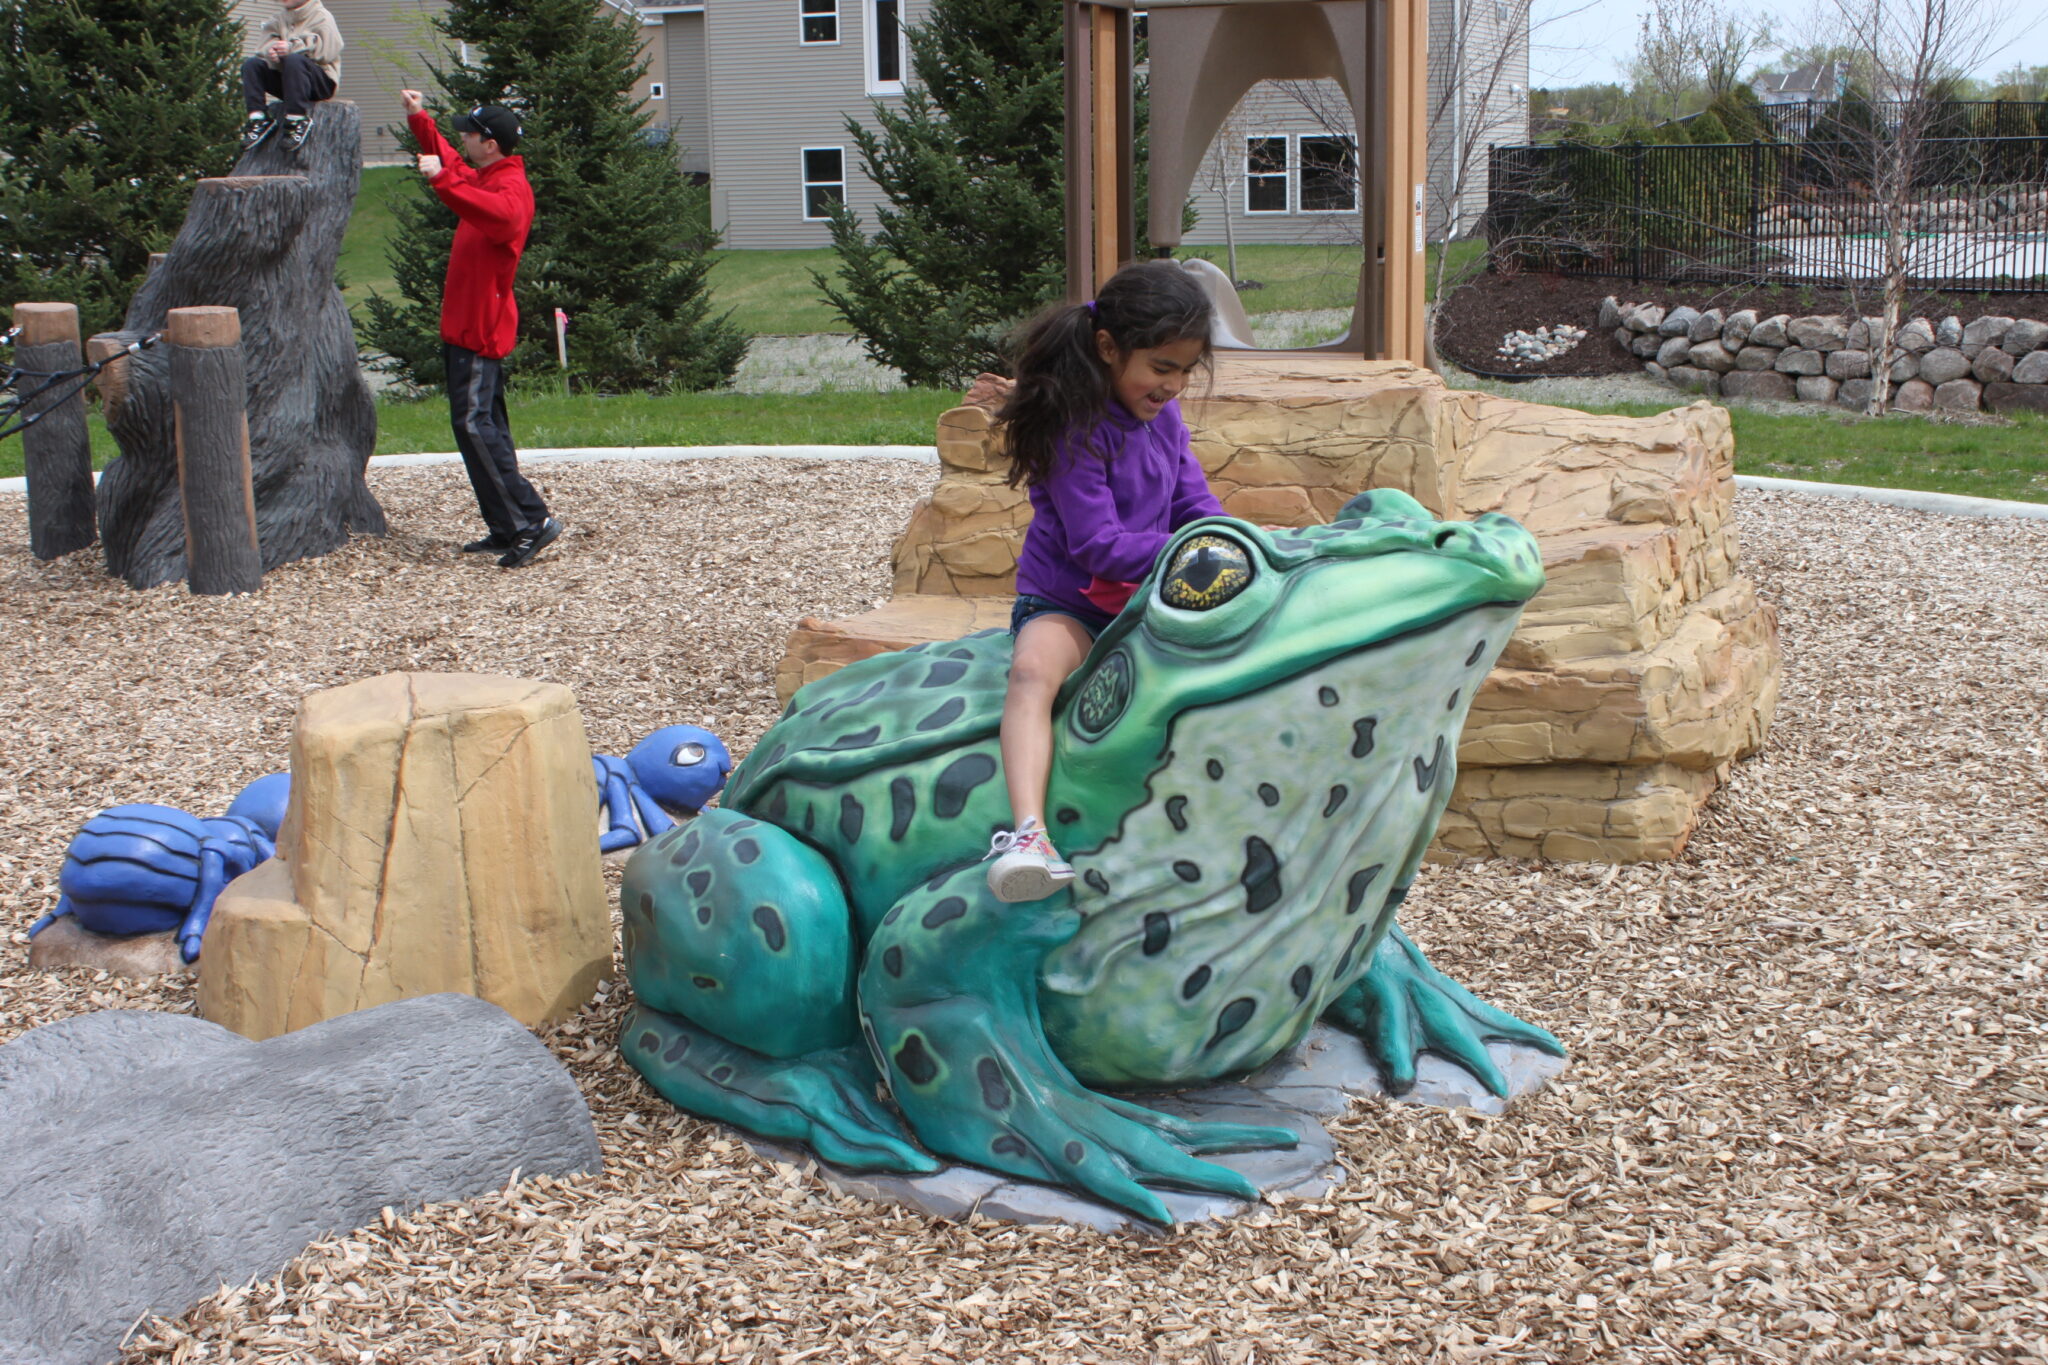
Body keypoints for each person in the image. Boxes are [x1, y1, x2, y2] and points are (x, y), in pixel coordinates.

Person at [982, 261, 1221, 902]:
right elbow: (1099, 546)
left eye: (1185, 370)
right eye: (1161, 367)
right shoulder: (1074, 429)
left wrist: (1229, 544)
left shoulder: (1166, 423)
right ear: (1109, 349)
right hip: (1069, 606)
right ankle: (1027, 834)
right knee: (1033, 672)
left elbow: (1198, 507)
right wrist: (1188, 551)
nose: (1173, 385)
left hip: (1145, 603)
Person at [400, 89, 564, 569]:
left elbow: (496, 214)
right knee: (481, 425)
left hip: (480, 329)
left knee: (474, 425)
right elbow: (451, 163)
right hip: (465, 326)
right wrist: (419, 118)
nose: (463, 139)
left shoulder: (509, 191)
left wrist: (443, 184)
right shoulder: (489, 174)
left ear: (489, 143)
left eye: (470, 133)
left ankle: (531, 521)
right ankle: (505, 525)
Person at [241, 0, 342, 150]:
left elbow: (328, 51)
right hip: (289, 83)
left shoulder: (322, 16)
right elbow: (263, 46)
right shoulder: (278, 19)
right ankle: (258, 118)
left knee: (294, 60)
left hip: (320, 83)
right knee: (251, 64)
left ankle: (296, 119)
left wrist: (294, 47)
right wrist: (273, 53)